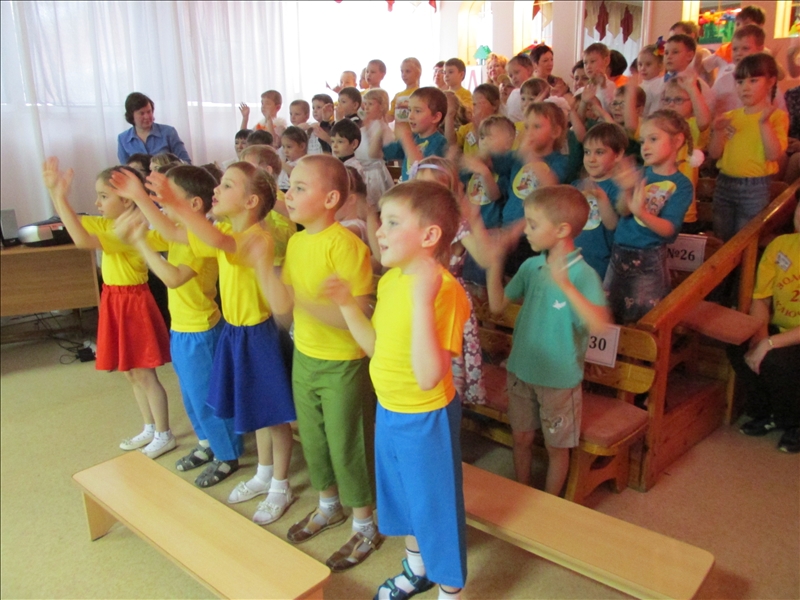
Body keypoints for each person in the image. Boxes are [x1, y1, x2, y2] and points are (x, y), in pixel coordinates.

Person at [324, 180, 471, 600]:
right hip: (389, 409)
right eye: (381, 222)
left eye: (392, 222)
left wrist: (423, 303)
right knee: (403, 498)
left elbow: (428, 376)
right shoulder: (392, 281)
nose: (380, 231)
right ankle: (417, 569)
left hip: (426, 416)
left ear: (429, 235)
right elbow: (375, 347)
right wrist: (347, 304)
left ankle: (450, 591)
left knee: (435, 508)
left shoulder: (443, 290)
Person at [152, 161, 297, 526]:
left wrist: (176, 201)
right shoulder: (227, 229)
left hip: (259, 334)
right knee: (258, 412)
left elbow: (216, 241)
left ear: (250, 201)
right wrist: (145, 198)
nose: (216, 189)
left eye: (227, 185)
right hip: (236, 332)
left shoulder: (256, 238)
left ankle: (281, 485)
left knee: (274, 418)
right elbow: (176, 234)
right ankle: (264, 472)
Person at [270, 154, 382, 570]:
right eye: (290, 186)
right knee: (314, 440)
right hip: (306, 356)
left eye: (300, 188)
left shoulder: (347, 245)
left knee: (347, 442)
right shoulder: (297, 242)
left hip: (343, 363)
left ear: (331, 199)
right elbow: (285, 307)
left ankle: (364, 523)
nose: (289, 194)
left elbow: (354, 317)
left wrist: (301, 301)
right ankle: (328, 504)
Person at [110, 166, 243, 486]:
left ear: (194, 204)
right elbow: (165, 229)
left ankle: (227, 455)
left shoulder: (201, 237)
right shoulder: (181, 231)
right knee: (191, 398)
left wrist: (141, 243)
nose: (162, 205)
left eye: (168, 199)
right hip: (182, 330)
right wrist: (140, 197)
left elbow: (172, 277)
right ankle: (207, 443)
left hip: (201, 331)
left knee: (209, 399)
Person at [41, 158, 173, 457]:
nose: (97, 203)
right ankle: (150, 426)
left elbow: (82, 241)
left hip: (132, 303)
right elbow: (74, 226)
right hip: (114, 299)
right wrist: (56, 195)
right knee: (130, 373)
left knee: (144, 374)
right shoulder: (109, 224)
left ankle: (164, 433)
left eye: (103, 196)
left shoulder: (130, 228)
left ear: (126, 201)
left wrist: (59, 195)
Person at [486, 185, 609, 494]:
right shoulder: (531, 265)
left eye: (533, 224)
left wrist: (566, 286)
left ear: (562, 230)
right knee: (521, 438)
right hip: (521, 371)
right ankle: (523, 492)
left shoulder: (584, 275)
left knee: (557, 447)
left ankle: (548, 506)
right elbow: (497, 306)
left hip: (558, 381)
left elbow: (599, 324)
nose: (526, 230)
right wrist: (494, 263)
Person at [604, 110, 693, 324]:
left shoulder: (681, 184)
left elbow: (669, 230)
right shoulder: (639, 173)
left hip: (648, 259)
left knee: (642, 319)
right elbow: (622, 211)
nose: (645, 146)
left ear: (677, 141)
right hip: (619, 253)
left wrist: (642, 213)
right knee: (610, 313)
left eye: (653, 139)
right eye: (643, 141)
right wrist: (627, 188)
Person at [728, 204, 800, 454]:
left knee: (778, 361)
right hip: (780, 327)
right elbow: (761, 299)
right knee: (738, 343)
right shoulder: (781, 245)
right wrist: (760, 338)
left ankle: (793, 422)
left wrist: (769, 345)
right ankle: (767, 412)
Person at [708, 53, 789, 242]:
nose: (745, 87)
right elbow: (714, 153)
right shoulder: (730, 116)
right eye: (740, 82)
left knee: (746, 239)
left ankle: (744, 263)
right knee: (721, 236)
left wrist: (764, 123)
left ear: (770, 82)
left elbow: (773, 154)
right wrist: (718, 132)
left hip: (755, 187)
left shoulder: (776, 117)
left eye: (753, 81)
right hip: (725, 183)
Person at [573, 122, 628, 279]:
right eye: (587, 152)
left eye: (599, 152)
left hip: (600, 265)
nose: (591, 159)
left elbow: (612, 225)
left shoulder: (617, 187)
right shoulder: (576, 185)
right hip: (573, 261)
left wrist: (601, 197)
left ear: (617, 155)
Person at [659, 75, 711, 233]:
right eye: (667, 100)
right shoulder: (656, 128)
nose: (671, 104)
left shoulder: (691, 127)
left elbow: (704, 121)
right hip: (657, 208)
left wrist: (692, 89)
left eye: (678, 100)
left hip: (683, 212)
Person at [373, 87, 449, 181]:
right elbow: (384, 153)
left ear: (436, 117)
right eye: (409, 110)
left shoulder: (440, 142)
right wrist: (380, 127)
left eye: (417, 111)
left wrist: (406, 137)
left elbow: (422, 169)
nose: (410, 116)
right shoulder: (413, 138)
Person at [117, 92, 191, 165]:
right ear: (131, 116)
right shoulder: (123, 139)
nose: (147, 117)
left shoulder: (168, 132)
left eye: (149, 112)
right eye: (142, 113)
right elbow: (125, 168)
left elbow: (186, 163)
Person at [358, 89, 394, 206]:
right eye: (365, 104)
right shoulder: (363, 127)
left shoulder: (383, 128)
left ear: (382, 106)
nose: (366, 108)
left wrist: (376, 133)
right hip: (361, 172)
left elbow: (374, 153)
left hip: (374, 175)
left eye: (371, 104)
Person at [445, 83, 500, 156]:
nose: (474, 107)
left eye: (479, 103)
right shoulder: (468, 128)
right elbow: (451, 142)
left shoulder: (504, 128)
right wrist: (450, 115)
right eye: (473, 103)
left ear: (495, 105)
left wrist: (478, 128)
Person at [663, 35, 715, 109]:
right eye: (666, 53)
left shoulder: (693, 83)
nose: (669, 57)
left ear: (689, 56)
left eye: (675, 52)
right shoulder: (665, 79)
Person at [578, 43, 617, 112]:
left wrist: (603, 88)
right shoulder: (582, 89)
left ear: (606, 61)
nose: (588, 67)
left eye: (592, 61)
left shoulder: (610, 86)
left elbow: (611, 111)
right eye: (585, 63)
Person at [637, 43, 666, 117]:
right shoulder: (639, 87)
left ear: (660, 66)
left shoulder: (663, 83)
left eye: (648, 64)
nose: (643, 68)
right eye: (640, 64)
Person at [505, 53, 536, 122]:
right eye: (510, 76)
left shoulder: (536, 89)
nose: (513, 78)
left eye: (516, 72)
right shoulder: (513, 93)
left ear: (529, 70)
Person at [391, 58, 422, 123]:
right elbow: (390, 116)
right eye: (402, 71)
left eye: (407, 71)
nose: (404, 74)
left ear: (418, 73)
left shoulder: (421, 94)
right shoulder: (398, 95)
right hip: (398, 128)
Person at [278, 126, 308, 192]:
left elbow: (295, 173)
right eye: (283, 147)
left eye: (289, 147)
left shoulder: (306, 162)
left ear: (302, 146)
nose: (285, 151)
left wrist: (280, 162)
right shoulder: (288, 163)